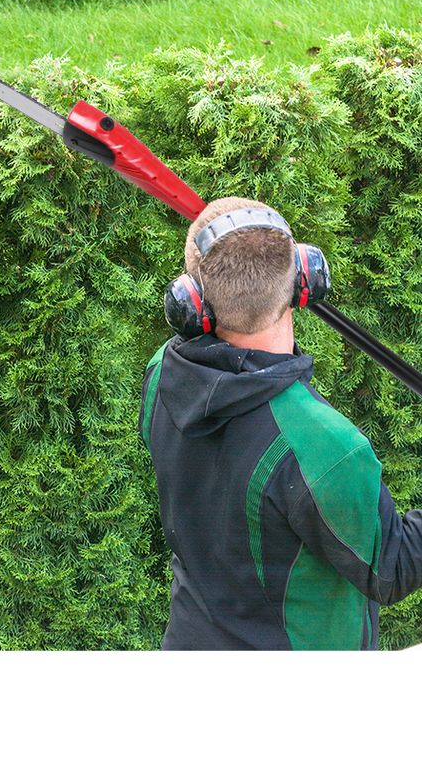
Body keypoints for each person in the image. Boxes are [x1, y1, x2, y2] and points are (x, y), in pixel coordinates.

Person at [139, 195, 422, 649]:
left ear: (191, 303)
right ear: (304, 281)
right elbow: (390, 568)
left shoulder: (162, 374)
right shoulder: (324, 445)